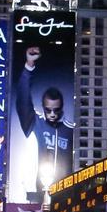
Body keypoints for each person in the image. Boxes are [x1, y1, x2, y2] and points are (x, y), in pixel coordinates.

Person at [14, 45, 74, 199]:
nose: (52, 114)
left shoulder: (70, 130)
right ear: (43, 108)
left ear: (62, 108)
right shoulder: (35, 124)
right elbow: (22, 101)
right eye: (48, 110)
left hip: (64, 194)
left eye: (56, 110)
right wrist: (29, 66)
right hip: (36, 192)